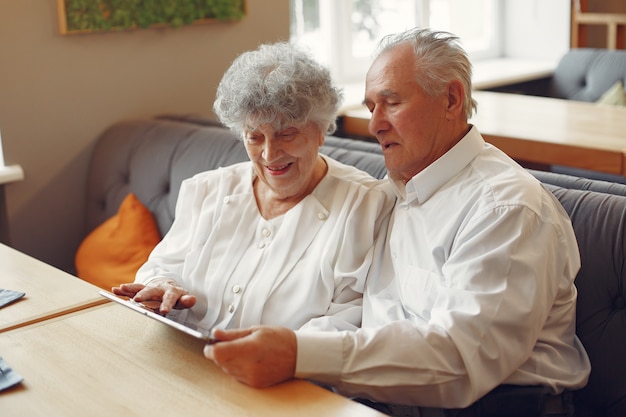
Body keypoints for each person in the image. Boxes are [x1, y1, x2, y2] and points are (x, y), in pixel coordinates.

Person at [202, 28, 591, 417]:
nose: (375, 125)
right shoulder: (393, 194)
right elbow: (366, 318)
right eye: (371, 108)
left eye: (391, 103)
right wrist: (281, 344)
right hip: (384, 402)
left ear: (451, 99)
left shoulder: (505, 208)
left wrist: (298, 354)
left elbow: (459, 360)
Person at [112, 42, 394, 334]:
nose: (270, 154)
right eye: (255, 137)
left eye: (286, 134)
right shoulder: (208, 190)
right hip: (183, 356)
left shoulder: (365, 206)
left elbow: (352, 318)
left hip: (277, 375)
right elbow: (162, 266)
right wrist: (162, 286)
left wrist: (282, 352)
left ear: (321, 130)